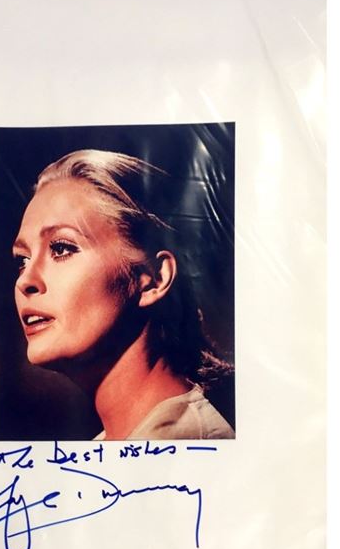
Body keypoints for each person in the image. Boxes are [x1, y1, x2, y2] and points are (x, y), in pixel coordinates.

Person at [12, 149, 235, 440]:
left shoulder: (186, 442)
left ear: (154, 278)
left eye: (61, 248)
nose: (25, 280)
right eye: (23, 260)